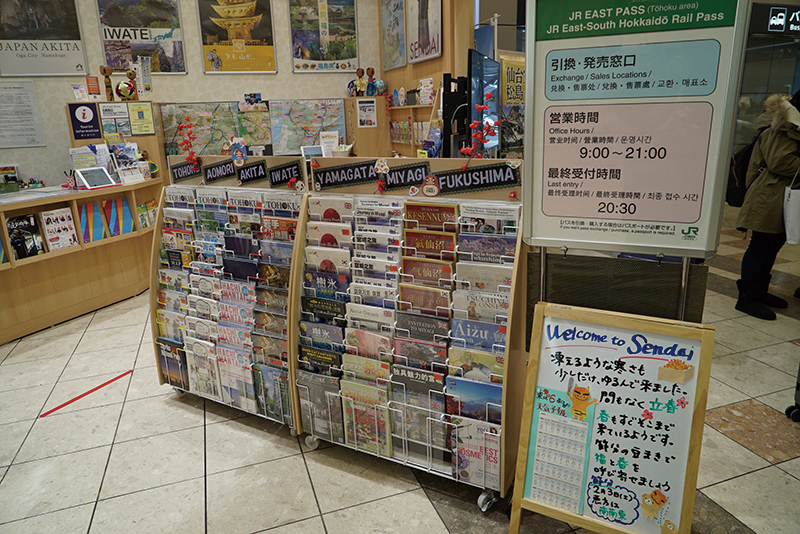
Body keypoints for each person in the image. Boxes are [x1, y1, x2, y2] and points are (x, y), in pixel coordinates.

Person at [735, 91, 800, 320]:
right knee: (761, 244)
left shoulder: (790, 125)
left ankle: (759, 292)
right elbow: (780, 162)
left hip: (780, 195)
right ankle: (747, 298)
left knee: (773, 244)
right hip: (768, 195)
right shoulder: (781, 127)